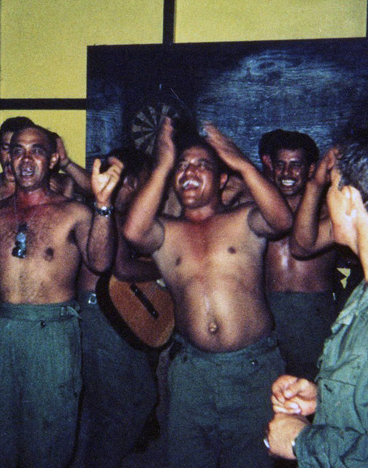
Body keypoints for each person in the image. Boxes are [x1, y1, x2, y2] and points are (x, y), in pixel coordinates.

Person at [0, 123, 122, 468]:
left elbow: (100, 261)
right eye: (17, 150)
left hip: (53, 333)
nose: (26, 158)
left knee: (48, 441)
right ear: (9, 159)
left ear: (51, 160)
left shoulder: (73, 212)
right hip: (1, 330)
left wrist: (104, 205)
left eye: (36, 150)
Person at [123, 118, 292, 468]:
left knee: (252, 460)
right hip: (191, 372)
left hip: (253, 369)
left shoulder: (243, 219)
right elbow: (133, 232)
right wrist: (164, 164)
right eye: (183, 167)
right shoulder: (166, 232)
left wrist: (242, 162)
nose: (190, 172)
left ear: (222, 179)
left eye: (202, 165)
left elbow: (281, 221)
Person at [267, 128, 368, 465]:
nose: (326, 196)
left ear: (349, 199)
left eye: (330, 187)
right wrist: (327, 402)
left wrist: (301, 442)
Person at [76, 148, 160, 468]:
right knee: (131, 402)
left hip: (106, 313)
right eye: (147, 183)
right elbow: (122, 268)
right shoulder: (107, 212)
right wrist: (169, 271)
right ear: (133, 182)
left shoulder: (113, 212)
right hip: (100, 315)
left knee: (102, 407)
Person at [261, 130, 338, 381]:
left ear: (311, 168)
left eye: (296, 165)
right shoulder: (255, 206)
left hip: (313, 311)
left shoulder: (329, 207)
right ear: (270, 165)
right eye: (281, 165)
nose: (287, 173)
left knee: (315, 385)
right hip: (266, 308)